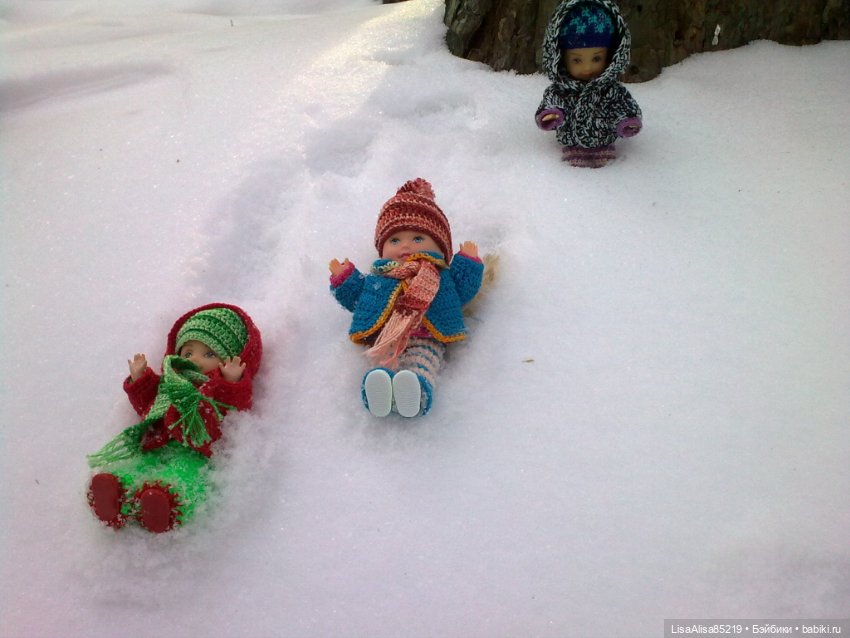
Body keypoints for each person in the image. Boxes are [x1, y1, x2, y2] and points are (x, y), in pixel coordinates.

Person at [86, 303, 262, 533]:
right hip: (157, 443)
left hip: (196, 451)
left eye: (209, 354)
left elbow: (232, 407)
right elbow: (147, 405)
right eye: (188, 352)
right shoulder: (170, 383)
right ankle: (116, 493)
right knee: (141, 466)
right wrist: (140, 379)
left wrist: (231, 381)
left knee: (184, 474)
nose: (195, 360)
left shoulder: (215, 390)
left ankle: (166, 503)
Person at [329, 178, 483, 418]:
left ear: (441, 247)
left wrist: (468, 261)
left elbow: (464, 288)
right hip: (386, 335)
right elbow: (359, 298)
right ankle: (379, 389)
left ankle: (417, 388)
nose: (406, 246)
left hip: (428, 334)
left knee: (423, 358)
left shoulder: (442, 277)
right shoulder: (381, 276)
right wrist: (344, 278)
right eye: (395, 240)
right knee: (383, 362)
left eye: (418, 238)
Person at [535, 0, 642, 168]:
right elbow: (550, 104)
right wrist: (551, 115)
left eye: (596, 58)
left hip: (604, 141)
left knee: (606, 171)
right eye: (577, 60)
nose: (587, 68)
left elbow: (624, 106)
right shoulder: (561, 91)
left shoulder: (611, 90)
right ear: (560, 58)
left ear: (611, 56)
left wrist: (627, 121)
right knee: (574, 174)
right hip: (572, 143)